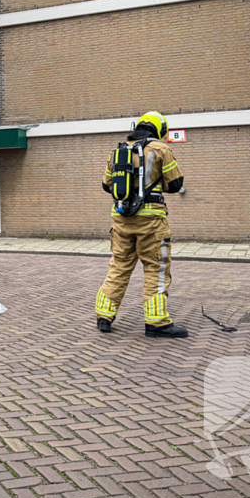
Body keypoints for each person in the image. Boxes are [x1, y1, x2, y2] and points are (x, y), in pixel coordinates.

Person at [96, 111, 188, 338]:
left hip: (121, 220)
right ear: (159, 129)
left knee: (119, 266)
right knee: (156, 268)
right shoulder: (161, 149)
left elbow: (107, 186)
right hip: (151, 222)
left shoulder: (117, 150)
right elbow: (176, 184)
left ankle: (104, 315)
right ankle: (157, 323)